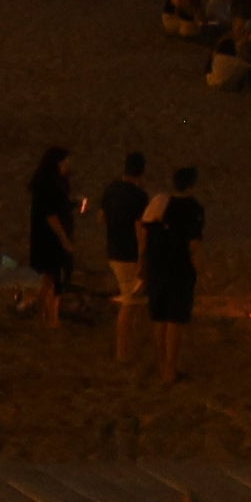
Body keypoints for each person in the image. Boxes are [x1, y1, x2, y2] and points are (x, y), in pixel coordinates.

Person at [138, 167, 204, 387]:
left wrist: (142, 263)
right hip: (179, 269)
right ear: (192, 185)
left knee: (159, 319)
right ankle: (170, 368)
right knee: (175, 320)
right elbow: (194, 245)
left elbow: (144, 233)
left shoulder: (159, 202)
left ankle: (161, 363)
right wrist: (201, 270)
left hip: (156, 267)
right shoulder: (194, 209)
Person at [99, 152, 149, 363]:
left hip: (113, 250)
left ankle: (131, 347)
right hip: (129, 254)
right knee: (130, 302)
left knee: (135, 301)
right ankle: (123, 353)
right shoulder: (139, 197)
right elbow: (141, 231)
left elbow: (101, 218)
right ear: (142, 171)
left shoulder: (111, 190)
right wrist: (143, 260)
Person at [28, 146, 75, 328]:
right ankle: (52, 319)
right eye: (66, 161)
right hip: (50, 238)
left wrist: (72, 205)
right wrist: (65, 240)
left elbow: (56, 207)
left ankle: (41, 312)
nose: (69, 164)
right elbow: (51, 215)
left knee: (49, 277)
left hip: (44, 236)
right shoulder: (49, 185)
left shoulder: (49, 182)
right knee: (56, 278)